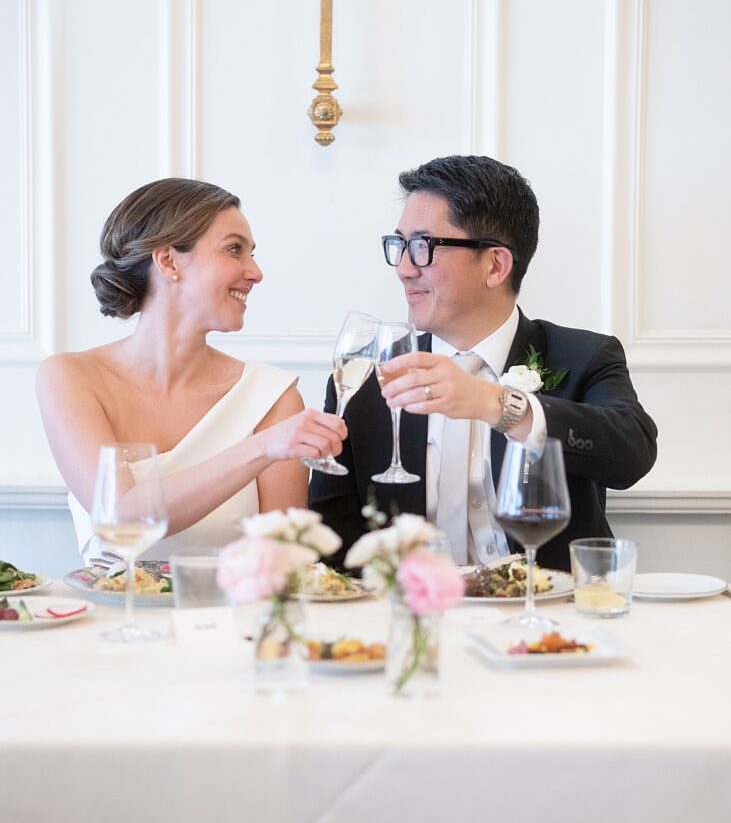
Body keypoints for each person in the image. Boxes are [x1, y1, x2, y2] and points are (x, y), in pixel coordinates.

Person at [308, 155, 658, 571]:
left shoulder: (582, 356)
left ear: (495, 265)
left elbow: (632, 453)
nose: (403, 268)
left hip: (550, 619)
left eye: (422, 246)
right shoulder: (369, 377)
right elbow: (332, 540)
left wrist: (496, 405)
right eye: (399, 244)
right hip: (414, 619)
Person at [37, 177, 346, 561]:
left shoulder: (272, 399)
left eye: (252, 253)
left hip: (234, 620)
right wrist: (262, 447)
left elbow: (285, 561)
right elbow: (120, 518)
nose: (255, 272)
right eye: (235, 249)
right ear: (168, 261)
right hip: (112, 618)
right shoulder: (71, 377)